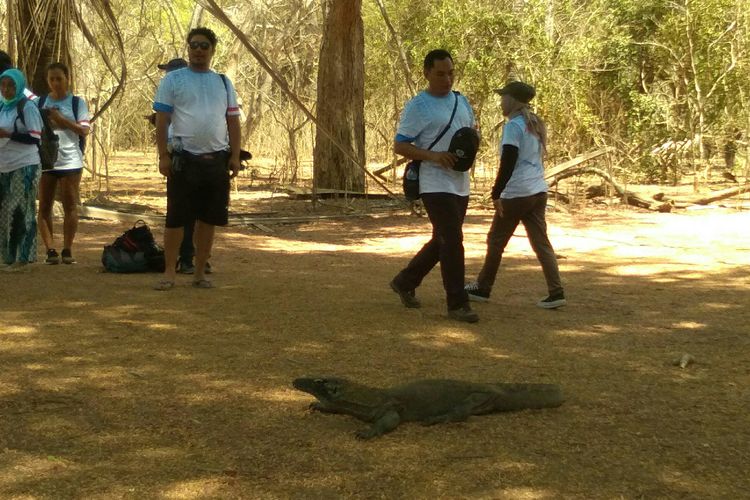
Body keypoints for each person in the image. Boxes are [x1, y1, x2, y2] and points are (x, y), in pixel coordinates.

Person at [389, 49, 479, 323]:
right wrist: (434, 156)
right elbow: (400, 144)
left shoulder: (461, 102)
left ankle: (405, 281)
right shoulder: (419, 106)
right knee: (453, 240)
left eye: (451, 73)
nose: (447, 79)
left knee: (444, 239)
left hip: (460, 182)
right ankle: (457, 303)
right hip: (434, 182)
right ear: (427, 73)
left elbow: (470, 135)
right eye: (440, 74)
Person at [151, 27, 242, 290]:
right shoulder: (173, 80)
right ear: (188, 48)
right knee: (176, 218)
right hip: (183, 159)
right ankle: (170, 271)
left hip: (216, 161)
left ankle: (200, 272)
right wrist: (163, 156)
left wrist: (235, 155)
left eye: (204, 46)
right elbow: (162, 119)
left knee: (208, 219)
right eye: (194, 45)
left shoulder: (223, 82)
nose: (199, 50)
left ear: (213, 50)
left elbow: (233, 120)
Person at [465, 81, 566, 309]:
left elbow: (508, 160)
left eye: (504, 97)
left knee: (496, 240)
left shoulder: (514, 126)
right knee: (541, 243)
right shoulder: (535, 123)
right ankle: (556, 291)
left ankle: (482, 287)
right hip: (538, 191)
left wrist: (496, 192)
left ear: (512, 100)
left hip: (517, 193)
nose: (501, 101)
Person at [148, 57, 210, 275]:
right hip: (179, 158)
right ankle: (184, 258)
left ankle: (193, 257)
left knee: (197, 212)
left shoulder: (188, 95)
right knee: (182, 212)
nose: (167, 76)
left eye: (170, 72)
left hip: (197, 156)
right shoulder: (170, 96)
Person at [36, 62, 91, 265]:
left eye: (59, 78)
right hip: (47, 161)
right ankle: (50, 250)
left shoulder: (77, 103)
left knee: (70, 205)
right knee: (44, 207)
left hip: (70, 161)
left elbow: (84, 130)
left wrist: (60, 120)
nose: (56, 83)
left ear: (67, 78)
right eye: (52, 79)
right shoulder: (39, 102)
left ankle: (67, 249)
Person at [0, 69, 43, 270]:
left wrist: (8, 134)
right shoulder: (2, 107)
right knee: (5, 211)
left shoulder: (27, 107)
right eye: (3, 85)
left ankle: (23, 257)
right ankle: (7, 256)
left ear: (19, 87)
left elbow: (35, 137)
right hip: (4, 166)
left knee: (22, 210)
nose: (6, 89)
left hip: (25, 165)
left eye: (11, 85)